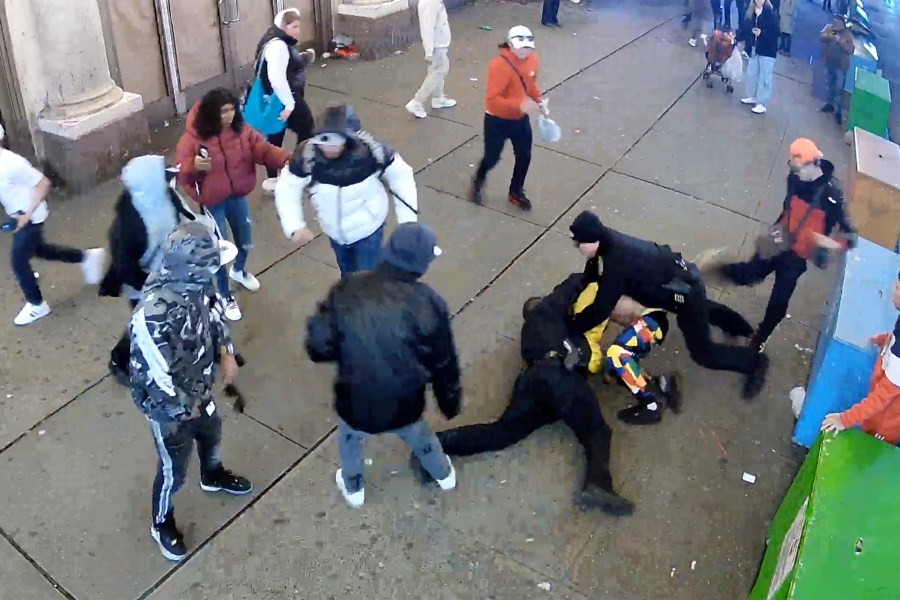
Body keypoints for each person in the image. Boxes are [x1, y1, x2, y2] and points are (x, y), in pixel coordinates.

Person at [423, 273, 634, 515]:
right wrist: (593, 275)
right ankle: (598, 485)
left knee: (502, 433)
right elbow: (570, 286)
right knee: (597, 432)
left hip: (533, 380)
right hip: (558, 375)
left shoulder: (534, 335)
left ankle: (433, 446)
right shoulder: (547, 312)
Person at [305, 223, 461, 508]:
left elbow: (318, 346)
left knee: (350, 440)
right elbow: (444, 361)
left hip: (356, 403)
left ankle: (353, 488)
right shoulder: (429, 302)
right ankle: (443, 473)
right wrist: (449, 402)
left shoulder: (348, 288)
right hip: (406, 404)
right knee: (419, 435)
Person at [130, 221, 251, 562]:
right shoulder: (152, 315)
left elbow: (214, 315)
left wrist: (226, 351)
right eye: (210, 265)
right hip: (168, 409)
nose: (216, 271)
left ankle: (212, 475)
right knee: (173, 469)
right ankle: (161, 522)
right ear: (191, 268)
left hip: (199, 390)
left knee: (212, 434)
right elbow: (154, 375)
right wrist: (186, 408)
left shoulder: (197, 284)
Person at [568, 210, 769, 399]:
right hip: (678, 278)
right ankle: (738, 325)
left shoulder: (616, 262)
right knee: (701, 307)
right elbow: (593, 272)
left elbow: (600, 309)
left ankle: (753, 363)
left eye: (579, 244)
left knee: (704, 353)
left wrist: (572, 326)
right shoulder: (610, 242)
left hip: (683, 294)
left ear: (593, 240)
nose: (577, 248)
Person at [696, 139, 856, 354]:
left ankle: (761, 336)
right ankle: (707, 270)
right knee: (748, 274)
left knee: (779, 301)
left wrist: (827, 242)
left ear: (812, 164)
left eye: (796, 166)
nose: (793, 170)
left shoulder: (831, 197)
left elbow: (850, 237)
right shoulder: (794, 179)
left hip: (797, 256)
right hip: (779, 237)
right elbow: (787, 208)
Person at [174, 88, 290, 321]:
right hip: (212, 202)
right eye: (223, 111)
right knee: (220, 252)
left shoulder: (242, 131)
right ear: (211, 113)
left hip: (237, 196)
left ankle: (239, 271)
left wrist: (285, 158)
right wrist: (193, 165)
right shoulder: (192, 139)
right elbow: (179, 174)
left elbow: (262, 149)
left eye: (231, 110)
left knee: (245, 242)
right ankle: (224, 295)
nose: (228, 116)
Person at [274, 103, 418, 279]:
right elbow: (287, 186)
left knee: (367, 278)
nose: (328, 147)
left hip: (368, 230)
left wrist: (408, 222)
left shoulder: (371, 153)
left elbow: (401, 176)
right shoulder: (307, 155)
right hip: (334, 232)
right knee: (347, 275)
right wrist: (294, 226)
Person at [100, 156, 201, 384]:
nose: (167, 177)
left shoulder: (165, 196)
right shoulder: (125, 225)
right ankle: (121, 358)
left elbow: (182, 218)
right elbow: (125, 267)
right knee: (144, 323)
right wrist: (153, 284)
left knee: (169, 319)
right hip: (145, 285)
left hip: (172, 274)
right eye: (161, 175)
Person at [0, 124, 105, 325]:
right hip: (19, 217)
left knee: (18, 260)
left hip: (30, 218)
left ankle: (37, 304)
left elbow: (43, 183)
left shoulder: (12, 163)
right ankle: (87, 257)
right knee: (42, 251)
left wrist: (26, 215)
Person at [572, 282, 682, 425]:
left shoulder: (586, 300)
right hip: (650, 322)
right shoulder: (590, 289)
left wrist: (605, 368)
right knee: (622, 361)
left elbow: (593, 338)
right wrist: (609, 370)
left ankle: (651, 405)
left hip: (649, 322)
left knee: (618, 354)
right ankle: (659, 383)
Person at [469, 26, 549, 212]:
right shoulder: (498, 65)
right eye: (520, 47)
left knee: (524, 155)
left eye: (527, 47)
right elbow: (492, 100)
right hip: (496, 120)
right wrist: (520, 105)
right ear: (510, 44)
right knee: (492, 157)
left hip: (520, 120)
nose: (524, 51)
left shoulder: (533, 61)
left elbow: (529, 86)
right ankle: (479, 178)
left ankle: (515, 191)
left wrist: (538, 101)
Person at [821, 273, 900, 444]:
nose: (893, 290)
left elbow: (880, 399)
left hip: (884, 424)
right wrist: (884, 339)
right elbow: (895, 336)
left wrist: (845, 419)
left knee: (869, 449)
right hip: (881, 413)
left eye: (898, 288)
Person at [256, 8, 316, 193]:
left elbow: (286, 65)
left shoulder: (276, 40)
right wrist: (289, 104)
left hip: (274, 98)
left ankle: (273, 179)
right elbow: (277, 77)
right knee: (307, 128)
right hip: (286, 97)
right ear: (283, 26)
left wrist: (303, 58)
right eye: (294, 26)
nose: (298, 30)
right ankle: (300, 170)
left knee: (275, 136)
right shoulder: (278, 46)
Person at [405, 0, 456, 119]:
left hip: (439, 43)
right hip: (436, 45)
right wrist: (429, 51)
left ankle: (437, 98)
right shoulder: (431, 3)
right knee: (438, 72)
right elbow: (427, 28)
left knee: (437, 71)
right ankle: (417, 102)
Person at [739, 0, 779, 114]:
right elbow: (746, 28)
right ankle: (753, 96)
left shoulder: (771, 14)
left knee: (764, 77)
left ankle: (762, 103)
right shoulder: (752, 12)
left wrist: (762, 33)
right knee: (753, 73)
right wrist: (738, 38)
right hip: (755, 49)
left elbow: (776, 33)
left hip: (768, 51)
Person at [820, 17, 855, 125]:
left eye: (838, 22)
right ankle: (829, 104)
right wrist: (830, 36)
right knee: (830, 86)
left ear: (842, 24)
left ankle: (838, 112)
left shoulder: (847, 35)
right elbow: (822, 37)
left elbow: (851, 50)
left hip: (840, 67)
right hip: (829, 64)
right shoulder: (829, 28)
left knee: (839, 90)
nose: (835, 24)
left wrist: (839, 41)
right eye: (835, 22)